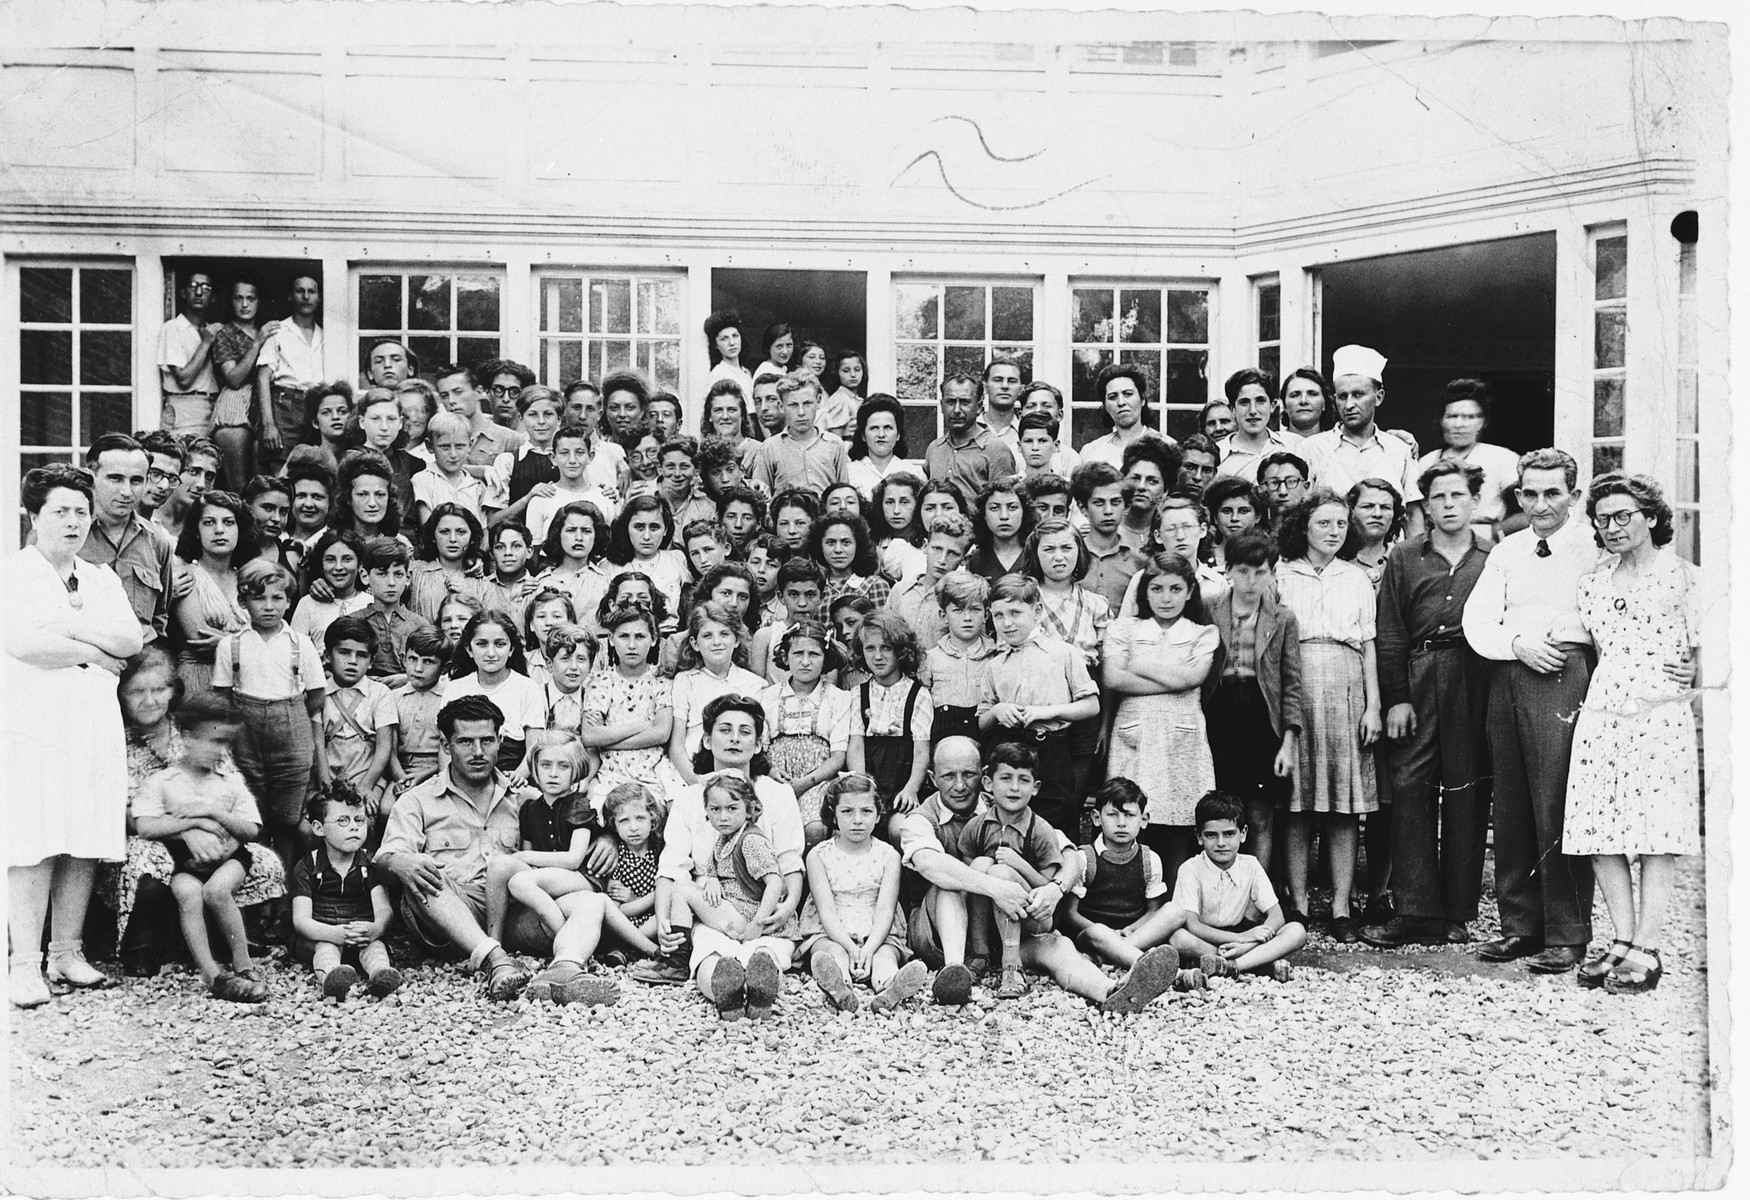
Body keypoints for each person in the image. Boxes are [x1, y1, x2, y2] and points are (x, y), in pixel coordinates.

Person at [7, 464, 145, 1007]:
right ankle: (24, 963)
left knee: (82, 838)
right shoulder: (14, 575)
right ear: (34, 516)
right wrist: (92, 650)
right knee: (34, 841)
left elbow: (130, 639)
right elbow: (24, 645)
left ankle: (67, 952)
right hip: (34, 728)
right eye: (60, 511)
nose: (72, 522)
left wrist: (66, 630)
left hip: (91, 727)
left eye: (81, 512)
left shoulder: (102, 578)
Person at [1461, 448, 1600, 973]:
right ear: (1518, 495)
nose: (1541, 504)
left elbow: (1602, 614)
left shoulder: (1594, 548)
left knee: (1557, 804)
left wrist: (1560, 640)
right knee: (1513, 803)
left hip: (1566, 677)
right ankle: (1520, 926)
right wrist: (1517, 643)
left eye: (1552, 493)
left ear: (1574, 495)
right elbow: (1479, 621)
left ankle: (1567, 934)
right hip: (1510, 672)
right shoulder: (1508, 551)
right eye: (1531, 493)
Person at [1562, 474, 1700, 994]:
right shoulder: (1593, 584)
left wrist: (1697, 674)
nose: (1614, 527)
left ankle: (1647, 946)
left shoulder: (1685, 577)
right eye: (1603, 519)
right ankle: (1620, 939)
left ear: (1650, 517)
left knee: (1655, 834)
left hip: (1659, 714)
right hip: (1602, 712)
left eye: (1624, 516)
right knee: (1600, 831)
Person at [1362, 460, 1492, 950]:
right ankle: (1415, 910)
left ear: (1475, 501)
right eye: (1438, 498)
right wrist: (1396, 698)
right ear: (1426, 505)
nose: (1449, 505)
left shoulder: (1492, 556)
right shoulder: (1404, 557)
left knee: (1466, 789)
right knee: (1411, 786)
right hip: (1419, 673)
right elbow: (1390, 629)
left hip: (1475, 674)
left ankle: (1457, 911)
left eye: (1458, 495)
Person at [109, 646, 286, 978]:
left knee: (260, 858)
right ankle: (140, 942)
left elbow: (230, 789)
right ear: (121, 694)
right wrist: (187, 829)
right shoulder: (112, 740)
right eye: (136, 691)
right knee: (147, 858)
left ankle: (230, 937)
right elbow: (126, 817)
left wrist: (220, 834)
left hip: (208, 838)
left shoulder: (195, 730)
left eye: (159, 689)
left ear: (174, 690)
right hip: (143, 838)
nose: (149, 700)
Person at [961, 743, 1180, 1011]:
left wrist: (1018, 868)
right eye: (1006, 778)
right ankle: (983, 961)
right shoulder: (976, 828)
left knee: (1060, 950)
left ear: (1035, 787)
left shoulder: (1042, 830)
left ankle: (1111, 991)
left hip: (1027, 933)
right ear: (988, 782)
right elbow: (965, 882)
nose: (1014, 788)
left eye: (1023, 780)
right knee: (989, 867)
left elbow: (1053, 884)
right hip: (984, 939)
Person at [634, 697, 805, 998]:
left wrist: (785, 909)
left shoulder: (778, 795)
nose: (735, 738)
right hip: (711, 907)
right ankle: (725, 995)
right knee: (711, 958)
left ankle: (761, 991)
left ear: (758, 744)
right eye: (725, 730)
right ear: (708, 741)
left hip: (766, 910)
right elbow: (672, 869)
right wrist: (664, 919)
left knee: (765, 955)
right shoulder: (689, 799)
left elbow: (790, 864)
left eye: (745, 731)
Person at [1275, 488, 1382, 938]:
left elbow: (1369, 646)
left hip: (1346, 688)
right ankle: (1297, 903)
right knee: (1297, 805)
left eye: (1341, 523)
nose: (1334, 531)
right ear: (1304, 526)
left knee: (1343, 805)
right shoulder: (1282, 574)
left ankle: (1341, 908)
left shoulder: (1356, 578)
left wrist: (1373, 705)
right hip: (1297, 684)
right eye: (1324, 523)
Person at [376, 695, 532, 1000]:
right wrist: (399, 864)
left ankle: (567, 966)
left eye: (487, 741)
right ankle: (494, 959)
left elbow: (569, 829)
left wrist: (604, 839)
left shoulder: (522, 798)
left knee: (569, 900)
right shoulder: (418, 800)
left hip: (509, 914)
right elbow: (385, 858)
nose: (478, 752)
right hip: (447, 912)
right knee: (423, 874)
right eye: (465, 742)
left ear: (500, 740)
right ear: (446, 745)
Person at [131, 693, 272, 1005]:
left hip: (230, 858)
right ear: (187, 736)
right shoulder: (165, 780)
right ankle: (212, 973)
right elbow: (146, 825)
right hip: (185, 862)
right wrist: (191, 825)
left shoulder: (229, 780)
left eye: (226, 743)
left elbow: (252, 829)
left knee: (217, 891)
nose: (221, 750)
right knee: (188, 893)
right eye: (213, 741)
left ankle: (243, 963)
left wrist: (213, 815)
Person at [1102, 553, 1218, 879]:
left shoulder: (1201, 633)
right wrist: (1173, 679)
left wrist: (1138, 666)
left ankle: (1176, 906)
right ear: (1145, 591)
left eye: (1175, 589)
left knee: (1178, 824)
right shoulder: (1124, 629)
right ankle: (1132, 900)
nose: (1166, 598)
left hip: (1182, 737)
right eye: (1157, 589)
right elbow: (1113, 678)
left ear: (1190, 591)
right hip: (1134, 733)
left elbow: (1192, 678)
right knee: (1130, 819)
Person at [213, 560, 327, 874]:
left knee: (288, 820)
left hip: (291, 736)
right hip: (246, 738)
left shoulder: (300, 645)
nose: (268, 606)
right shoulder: (230, 645)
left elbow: (316, 696)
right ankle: (260, 888)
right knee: (254, 815)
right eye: (259, 598)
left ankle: (287, 893)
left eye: (277, 598)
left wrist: (289, 719)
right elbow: (222, 698)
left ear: (289, 601)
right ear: (243, 602)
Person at [1202, 529, 1300, 879]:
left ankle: (1257, 894)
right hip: (1219, 712)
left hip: (1260, 717)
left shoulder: (1282, 617)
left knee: (1260, 814)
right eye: (1243, 570)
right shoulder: (1209, 608)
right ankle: (1215, 889)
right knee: (1218, 808)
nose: (1251, 580)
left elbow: (1291, 684)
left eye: (1261, 571)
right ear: (1228, 570)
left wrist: (1287, 744)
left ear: (1273, 572)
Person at [978, 575, 1101, 838]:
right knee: (1008, 826)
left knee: (1054, 826)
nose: (1006, 623)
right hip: (1007, 749)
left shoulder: (1065, 654)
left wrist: (1049, 711)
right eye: (998, 616)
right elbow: (981, 720)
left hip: (1051, 750)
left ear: (1037, 611)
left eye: (1015, 612)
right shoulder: (995, 665)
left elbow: (1091, 706)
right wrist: (998, 712)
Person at [800, 774, 929, 1012]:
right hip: (831, 932)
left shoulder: (889, 855)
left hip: (877, 930)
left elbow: (885, 909)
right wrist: (850, 948)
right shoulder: (818, 855)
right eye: (847, 812)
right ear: (834, 814)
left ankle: (890, 987)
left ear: (878, 815)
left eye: (866, 812)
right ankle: (840, 988)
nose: (857, 820)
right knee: (832, 954)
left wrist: (868, 949)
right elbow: (826, 911)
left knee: (885, 957)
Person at [1168, 791, 1307, 981]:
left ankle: (1233, 966)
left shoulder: (1250, 865)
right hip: (1204, 937)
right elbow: (1192, 925)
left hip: (1240, 934)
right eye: (1211, 835)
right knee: (1178, 939)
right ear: (1199, 837)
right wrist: (1242, 940)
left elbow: (1276, 916)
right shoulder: (1190, 869)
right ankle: (1258, 963)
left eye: (1229, 834)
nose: (1221, 843)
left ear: (1243, 834)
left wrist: (1247, 943)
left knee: (1297, 931)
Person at [1060, 779, 1192, 977]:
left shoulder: (1150, 859)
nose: (1121, 823)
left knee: (1175, 911)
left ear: (1144, 819)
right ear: (1097, 818)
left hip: (1135, 933)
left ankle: (1108, 958)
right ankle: (1168, 972)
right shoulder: (1084, 858)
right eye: (1112, 815)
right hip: (1094, 935)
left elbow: (1153, 910)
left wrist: (1130, 930)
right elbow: (1071, 914)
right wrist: (1109, 934)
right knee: (1098, 932)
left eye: (1129, 815)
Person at [481, 733, 599, 947]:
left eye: (563, 766)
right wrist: (525, 859)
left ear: (576, 771)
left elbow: (574, 859)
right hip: (543, 879)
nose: (553, 774)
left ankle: (564, 935)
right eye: (545, 765)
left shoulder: (579, 805)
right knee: (499, 865)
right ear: (534, 768)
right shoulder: (529, 809)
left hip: (578, 878)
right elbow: (528, 863)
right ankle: (493, 944)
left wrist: (526, 856)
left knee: (520, 881)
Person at [1024, 519, 1110, 804]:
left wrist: (1105, 723)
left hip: (1083, 701)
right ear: (1035, 555)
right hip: (1038, 697)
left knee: (1072, 794)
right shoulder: (1025, 602)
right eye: (1048, 549)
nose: (1058, 557)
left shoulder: (1096, 604)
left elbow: (1105, 667)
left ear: (1079, 552)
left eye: (1066, 548)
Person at [291, 781, 402, 1001]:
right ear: (318, 828)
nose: (354, 827)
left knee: (376, 946)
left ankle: (381, 975)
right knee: (325, 949)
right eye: (343, 820)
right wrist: (334, 933)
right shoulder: (308, 866)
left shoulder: (369, 864)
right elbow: (301, 920)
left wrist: (375, 928)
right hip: (322, 933)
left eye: (359, 820)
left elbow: (383, 910)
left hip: (361, 934)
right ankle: (332, 979)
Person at [1300, 345, 1424, 536]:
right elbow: (1300, 512)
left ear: (1378, 397)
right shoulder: (1313, 448)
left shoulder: (1400, 450)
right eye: (1342, 397)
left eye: (1358, 395)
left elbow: (1412, 516)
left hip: (1388, 558)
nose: (1349, 405)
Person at [76, 434, 181, 646]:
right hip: (80, 661)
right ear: (91, 477)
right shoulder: (68, 532)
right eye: (115, 478)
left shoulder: (157, 540)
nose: (126, 492)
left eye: (136, 480)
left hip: (139, 662)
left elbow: (159, 616)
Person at [759, 621, 853, 842]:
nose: (805, 662)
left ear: (826, 658)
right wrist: (772, 772)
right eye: (798, 653)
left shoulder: (838, 698)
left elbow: (838, 756)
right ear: (785, 657)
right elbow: (759, 748)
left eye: (814, 654)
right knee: (768, 826)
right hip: (776, 778)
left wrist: (806, 782)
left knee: (815, 828)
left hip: (818, 779)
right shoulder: (767, 696)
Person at [581, 604, 675, 810]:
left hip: (653, 775)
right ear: (611, 640)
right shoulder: (600, 681)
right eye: (624, 637)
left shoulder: (661, 680)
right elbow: (589, 736)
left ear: (654, 640)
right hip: (610, 775)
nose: (632, 645)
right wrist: (643, 725)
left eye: (640, 637)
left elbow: (661, 734)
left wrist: (606, 739)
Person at [169, 490, 257, 698]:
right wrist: (251, 644)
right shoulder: (186, 576)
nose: (219, 530)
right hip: (200, 680)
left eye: (228, 522)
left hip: (250, 681)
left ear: (239, 529)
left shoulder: (248, 577)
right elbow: (200, 639)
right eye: (209, 522)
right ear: (197, 531)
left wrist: (227, 643)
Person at [666, 603, 767, 783]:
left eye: (725, 634)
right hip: (689, 771)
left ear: (736, 640)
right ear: (695, 643)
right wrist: (697, 783)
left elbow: (758, 742)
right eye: (707, 636)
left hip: (740, 771)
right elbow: (676, 747)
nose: (717, 642)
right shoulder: (685, 681)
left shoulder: (754, 684)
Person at [1415, 379, 1521, 542]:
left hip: (1485, 539)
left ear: (1483, 422)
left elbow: (1527, 510)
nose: (1459, 424)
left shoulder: (1503, 458)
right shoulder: (1426, 462)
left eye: (1470, 417)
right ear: (1441, 420)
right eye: (1452, 416)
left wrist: (1496, 531)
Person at [848, 613, 933, 813]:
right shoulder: (857, 695)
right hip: (869, 777)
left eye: (886, 648)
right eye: (870, 648)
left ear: (901, 651)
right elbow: (857, 746)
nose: (878, 656)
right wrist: (862, 787)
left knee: (899, 826)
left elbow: (921, 750)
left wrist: (911, 789)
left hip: (904, 779)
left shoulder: (918, 694)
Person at [206, 278, 280, 490]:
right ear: (231, 302)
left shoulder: (269, 331)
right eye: (239, 298)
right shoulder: (226, 334)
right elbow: (234, 379)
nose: (245, 304)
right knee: (237, 485)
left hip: (265, 403)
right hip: (236, 406)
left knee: (263, 482)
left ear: (259, 302)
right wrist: (257, 341)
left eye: (251, 298)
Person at [319, 616, 399, 810]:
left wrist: (366, 786)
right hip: (327, 778)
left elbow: (383, 747)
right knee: (309, 828)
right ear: (328, 656)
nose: (353, 661)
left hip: (367, 775)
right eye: (344, 653)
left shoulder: (380, 693)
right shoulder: (318, 694)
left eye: (361, 655)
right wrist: (326, 788)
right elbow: (316, 745)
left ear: (371, 661)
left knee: (366, 817)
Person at [917, 573, 994, 748]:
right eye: (958, 610)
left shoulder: (995, 658)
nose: (967, 617)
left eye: (975, 609)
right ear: (943, 615)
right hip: (942, 743)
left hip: (985, 742)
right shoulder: (930, 659)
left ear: (986, 614)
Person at [258, 274, 325, 473]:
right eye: (300, 291)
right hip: (286, 405)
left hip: (317, 405)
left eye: (311, 291)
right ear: (290, 296)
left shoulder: (326, 334)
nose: (306, 296)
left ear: (319, 298)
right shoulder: (278, 331)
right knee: (281, 471)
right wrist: (269, 424)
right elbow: (263, 378)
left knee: (314, 468)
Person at [885, 512, 974, 651]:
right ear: (925, 546)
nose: (942, 560)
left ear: (964, 559)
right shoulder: (899, 591)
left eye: (952, 553)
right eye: (937, 549)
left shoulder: (963, 599)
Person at [750, 375, 849, 495]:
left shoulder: (835, 444)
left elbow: (844, 492)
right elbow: (760, 495)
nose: (801, 412)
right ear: (781, 406)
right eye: (793, 405)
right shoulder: (770, 447)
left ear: (818, 401)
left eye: (807, 403)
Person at [922, 372, 1017, 498]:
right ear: (941, 406)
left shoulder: (997, 450)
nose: (956, 410)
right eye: (950, 402)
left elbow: (1004, 503)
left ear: (979, 407)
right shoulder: (935, 449)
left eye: (964, 402)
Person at [357, 536, 434, 686]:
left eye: (398, 574)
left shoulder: (420, 625)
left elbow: (432, 669)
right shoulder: (354, 621)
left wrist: (407, 678)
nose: (391, 583)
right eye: (382, 573)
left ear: (408, 578)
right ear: (365, 576)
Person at [1071, 462, 1145, 612]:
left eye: (1115, 502)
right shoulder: (1071, 556)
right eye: (1099, 503)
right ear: (1083, 508)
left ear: (1126, 507)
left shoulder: (1139, 562)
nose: (1108, 511)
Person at [157, 270, 219, 437]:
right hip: (184, 408)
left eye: (205, 287)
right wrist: (206, 342)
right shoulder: (172, 328)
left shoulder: (211, 330)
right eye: (193, 286)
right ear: (183, 293)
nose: (199, 292)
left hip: (211, 406)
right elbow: (184, 379)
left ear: (213, 297)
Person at [1216, 368, 1301, 483]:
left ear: (1272, 405)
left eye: (1260, 401)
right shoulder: (1218, 454)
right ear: (1232, 409)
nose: (1253, 410)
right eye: (1244, 402)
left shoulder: (1295, 446)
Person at [413, 411, 488, 529]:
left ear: (470, 445)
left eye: (459, 446)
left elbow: (483, 530)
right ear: (430, 446)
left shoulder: (477, 486)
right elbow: (427, 529)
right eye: (445, 447)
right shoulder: (423, 480)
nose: (453, 454)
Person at [1079, 363, 1158, 470]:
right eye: (1112, 397)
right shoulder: (1091, 452)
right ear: (1105, 406)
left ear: (1142, 399)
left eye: (1128, 394)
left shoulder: (1166, 446)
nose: (1121, 402)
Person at [847, 394, 919, 499]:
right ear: (863, 435)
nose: (881, 434)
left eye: (888, 428)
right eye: (874, 428)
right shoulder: (849, 473)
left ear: (898, 434)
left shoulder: (912, 472)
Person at [965, 478, 1035, 583]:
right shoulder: (973, 559)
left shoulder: (1035, 556)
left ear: (1024, 511)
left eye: (1012, 507)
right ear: (984, 514)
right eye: (994, 508)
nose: (1004, 516)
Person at [1119, 436, 1180, 550]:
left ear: (1165, 491)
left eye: (1152, 481)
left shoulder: (1172, 534)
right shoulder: (1106, 530)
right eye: (1135, 478)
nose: (1141, 486)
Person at [1343, 478, 1405, 586]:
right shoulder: (1337, 559)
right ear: (1351, 512)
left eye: (1385, 507)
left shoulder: (1404, 559)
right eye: (1368, 506)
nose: (1377, 514)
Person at [1203, 477, 1268, 570]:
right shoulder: (1201, 558)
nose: (1234, 518)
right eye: (1226, 511)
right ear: (1215, 518)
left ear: (1257, 516)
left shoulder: (1268, 558)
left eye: (1243, 511)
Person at [980, 356, 1026, 462]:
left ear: (1021, 389)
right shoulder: (971, 429)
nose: (1005, 386)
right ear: (985, 387)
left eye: (1012, 381)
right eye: (998, 380)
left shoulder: (1026, 433)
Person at [704, 310, 754, 398]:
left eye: (735, 336)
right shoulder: (718, 375)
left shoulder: (745, 372)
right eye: (724, 339)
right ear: (716, 344)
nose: (732, 343)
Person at [478, 358, 536, 430]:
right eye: (498, 390)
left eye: (514, 392)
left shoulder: (532, 435)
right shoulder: (478, 429)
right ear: (487, 392)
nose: (506, 399)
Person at [1279, 366, 1333, 440]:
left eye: (1312, 394)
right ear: (1284, 405)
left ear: (1324, 403)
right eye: (1295, 395)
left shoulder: (1335, 447)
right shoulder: (1272, 447)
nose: (1303, 401)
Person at [824, 350, 868, 439]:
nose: (853, 375)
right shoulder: (839, 399)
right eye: (846, 371)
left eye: (857, 370)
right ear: (837, 373)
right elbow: (835, 439)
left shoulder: (855, 399)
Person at [1257, 450, 1311, 519]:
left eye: (1291, 481)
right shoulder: (1250, 528)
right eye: (1274, 482)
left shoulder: (1316, 528)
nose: (1283, 492)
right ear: (1260, 490)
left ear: (1306, 487)